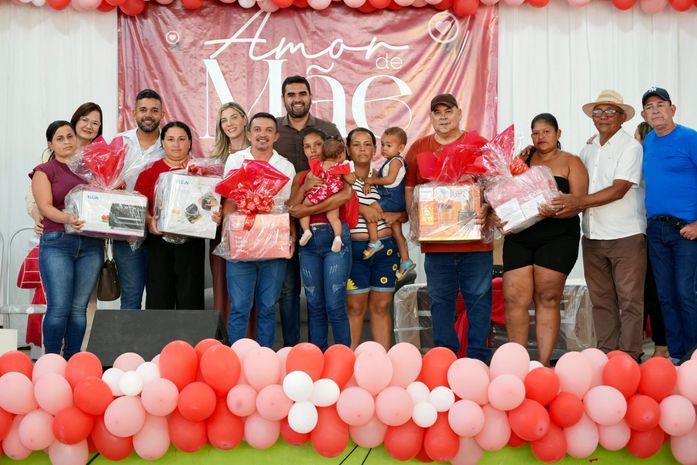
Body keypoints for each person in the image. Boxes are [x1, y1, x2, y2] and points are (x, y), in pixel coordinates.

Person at [550, 90, 645, 361]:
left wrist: (577, 202)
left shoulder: (631, 147)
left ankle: (629, 356)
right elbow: (577, 185)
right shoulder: (588, 148)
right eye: (598, 112)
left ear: (622, 117)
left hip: (626, 235)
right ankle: (607, 353)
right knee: (601, 299)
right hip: (592, 235)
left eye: (610, 111)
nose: (603, 116)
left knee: (629, 300)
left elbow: (618, 190)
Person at [404, 94, 493, 362]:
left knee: (478, 299)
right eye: (437, 112)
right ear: (431, 117)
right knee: (441, 301)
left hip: (475, 243)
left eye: (448, 111)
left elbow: (495, 186)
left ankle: (478, 358)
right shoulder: (419, 147)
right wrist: (417, 222)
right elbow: (410, 188)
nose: (443, 117)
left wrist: (487, 207)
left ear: (459, 113)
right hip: (437, 244)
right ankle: (445, 356)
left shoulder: (479, 144)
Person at [501, 113, 587, 366]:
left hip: (558, 237)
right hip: (520, 237)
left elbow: (579, 203)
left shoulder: (571, 161)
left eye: (546, 131)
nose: (541, 137)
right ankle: (517, 363)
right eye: (536, 133)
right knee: (514, 299)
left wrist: (555, 211)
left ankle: (543, 363)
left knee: (547, 298)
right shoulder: (521, 161)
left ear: (558, 133)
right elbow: (503, 193)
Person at [274, 75, 341, 347]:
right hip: (284, 223)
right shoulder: (275, 131)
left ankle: (319, 350)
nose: (297, 99)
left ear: (311, 96)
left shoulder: (328, 129)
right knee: (288, 290)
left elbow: (341, 174)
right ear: (284, 99)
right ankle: (291, 350)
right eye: (291, 94)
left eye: (302, 93)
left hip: (324, 223)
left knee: (322, 296)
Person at [30, 121, 103, 359]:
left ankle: (73, 359)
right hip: (57, 243)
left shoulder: (90, 170)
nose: (67, 142)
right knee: (59, 307)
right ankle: (51, 359)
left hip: (91, 245)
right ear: (50, 144)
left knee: (79, 309)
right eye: (59, 138)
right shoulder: (44, 170)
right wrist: (68, 219)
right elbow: (45, 207)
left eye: (70, 136)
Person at [224, 112, 296, 348]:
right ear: (248, 134)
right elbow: (229, 201)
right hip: (241, 242)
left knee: (267, 306)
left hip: (273, 244)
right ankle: (236, 356)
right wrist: (227, 235)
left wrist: (292, 236)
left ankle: (264, 357)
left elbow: (288, 207)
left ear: (276, 136)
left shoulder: (285, 166)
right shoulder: (235, 161)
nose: (262, 134)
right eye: (257, 129)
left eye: (268, 130)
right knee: (239, 306)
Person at [641, 86, 697, 364]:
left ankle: (693, 354)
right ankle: (676, 355)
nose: (655, 111)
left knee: (685, 293)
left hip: (686, 230)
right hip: (656, 230)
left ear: (672, 109)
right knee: (665, 295)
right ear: (644, 115)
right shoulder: (648, 142)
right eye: (649, 107)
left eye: (660, 105)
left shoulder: (690, 138)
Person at [135, 121, 216, 310]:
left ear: (190, 142)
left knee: (191, 298)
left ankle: (190, 331)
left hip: (192, 241)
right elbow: (140, 207)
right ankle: (160, 331)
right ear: (162, 143)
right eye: (170, 139)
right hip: (158, 242)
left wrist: (214, 215)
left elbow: (211, 203)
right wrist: (149, 221)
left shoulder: (202, 171)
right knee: (159, 297)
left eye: (181, 139)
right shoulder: (149, 172)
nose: (176, 144)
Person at [288, 128, 354, 351]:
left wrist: (309, 208)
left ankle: (343, 357)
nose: (313, 150)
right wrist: (305, 188)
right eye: (307, 146)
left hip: (335, 238)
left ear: (326, 146)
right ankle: (317, 357)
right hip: (308, 244)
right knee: (315, 305)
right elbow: (292, 209)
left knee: (335, 305)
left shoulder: (337, 170)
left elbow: (344, 196)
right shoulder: (301, 177)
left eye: (317, 144)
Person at [345, 128, 400, 351]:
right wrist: (362, 208)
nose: (362, 149)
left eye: (367, 144)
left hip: (386, 250)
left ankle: (383, 360)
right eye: (356, 144)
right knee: (355, 307)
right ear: (348, 149)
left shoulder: (384, 178)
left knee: (382, 306)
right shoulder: (342, 178)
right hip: (355, 249)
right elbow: (335, 204)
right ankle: (348, 362)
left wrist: (397, 214)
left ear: (375, 149)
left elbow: (403, 210)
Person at [114, 89, 166, 310]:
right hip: (126, 228)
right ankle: (129, 336)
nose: (148, 115)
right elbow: (105, 181)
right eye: (143, 110)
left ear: (162, 114)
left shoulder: (171, 142)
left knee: (159, 297)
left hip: (161, 230)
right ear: (133, 113)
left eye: (154, 110)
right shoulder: (120, 142)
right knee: (131, 296)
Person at [29, 102, 104, 234]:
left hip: (90, 231)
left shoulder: (102, 155)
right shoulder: (50, 155)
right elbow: (33, 195)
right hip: (56, 231)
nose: (89, 126)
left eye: (95, 123)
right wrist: (37, 216)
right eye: (84, 120)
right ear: (75, 121)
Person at [209, 102, 250, 329]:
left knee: (248, 289)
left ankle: (251, 341)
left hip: (250, 229)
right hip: (220, 230)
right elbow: (208, 198)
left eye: (234, 117)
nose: (229, 124)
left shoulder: (258, 152)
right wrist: (212, 212)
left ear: (244, 119)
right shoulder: (214, 160)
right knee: (222, 285)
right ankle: (225, 340)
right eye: (224, 120)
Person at [635, 121, 669, 359]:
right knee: (647, 292)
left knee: (652, 291)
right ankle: (653, 344)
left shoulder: (648, 164)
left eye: (637, 137)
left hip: (651, 232)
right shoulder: (642, 163)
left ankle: (661, 344)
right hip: (641, 232)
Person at [364, 127, 414, 280]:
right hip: (395, 200)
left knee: (370, 210)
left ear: (401, 148)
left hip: (393, 198)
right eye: (383, 145)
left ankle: (374, 241)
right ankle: (406, 261)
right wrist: (374, 177)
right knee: (397, 232)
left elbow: (389, 180)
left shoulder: (396, 162)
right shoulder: (389, 162)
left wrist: (372, 181)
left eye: (389, 145)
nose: (384, 148)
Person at [298, 137, 350, 253]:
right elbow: (351, 180)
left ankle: (306, 231)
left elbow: (311, 177)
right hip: (332, 195)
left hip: (319, 193)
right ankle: (337, 237)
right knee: (334, 217)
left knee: (304, 209)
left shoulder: (318, 165)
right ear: (341, 155)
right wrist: (349, 171)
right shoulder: (340, 167)